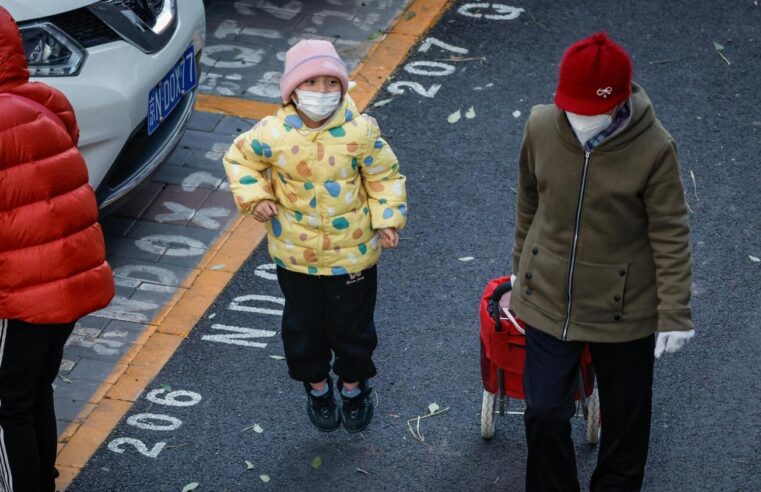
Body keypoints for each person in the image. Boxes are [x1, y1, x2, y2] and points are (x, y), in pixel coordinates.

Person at [505, 32, 694, 491]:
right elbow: (529, 199)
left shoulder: (655, 149)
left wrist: (674, 313)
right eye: (570, 108)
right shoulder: (540, 125)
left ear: (618, 101)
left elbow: (669, 232)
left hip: (624, 308)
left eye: (590, 110)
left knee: (626, 423)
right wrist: (519, 267)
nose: (578, 119)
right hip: (548, 294)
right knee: (545, 411)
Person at [223, 40, 407, 433]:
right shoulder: (272, 134)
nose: (323, 93)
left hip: (354, 254)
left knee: (353, 328)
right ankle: (318, 387)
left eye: (331, 83)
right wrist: (255, 197)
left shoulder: (361, 131)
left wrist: (387, 218)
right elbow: (240, 161)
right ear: (292, 91)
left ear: (343, 87)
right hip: (295, 256)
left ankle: (354, 387)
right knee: (303, 329)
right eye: (312, 84)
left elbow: (383, 176)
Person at [0, 7, 115, 492]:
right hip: (70, 278)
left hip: (23, 292)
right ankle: (41, 479)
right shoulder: (45, 98)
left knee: (5, 407)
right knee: (32, 392)